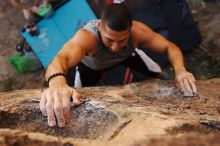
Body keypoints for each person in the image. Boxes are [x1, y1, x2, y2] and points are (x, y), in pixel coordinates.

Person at [40, 4, 197, 127]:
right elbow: (60, 59)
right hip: (92, 67)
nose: (115, 47)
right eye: (109, 39)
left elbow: (169, 47)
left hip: (127, 56)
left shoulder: (138, 31)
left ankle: (171, 80)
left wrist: (181, 71)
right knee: (78, 100)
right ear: (100, 27)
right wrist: (57, 83)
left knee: (161, 75)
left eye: (122, 40)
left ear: (130, 30)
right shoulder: (87, 37)